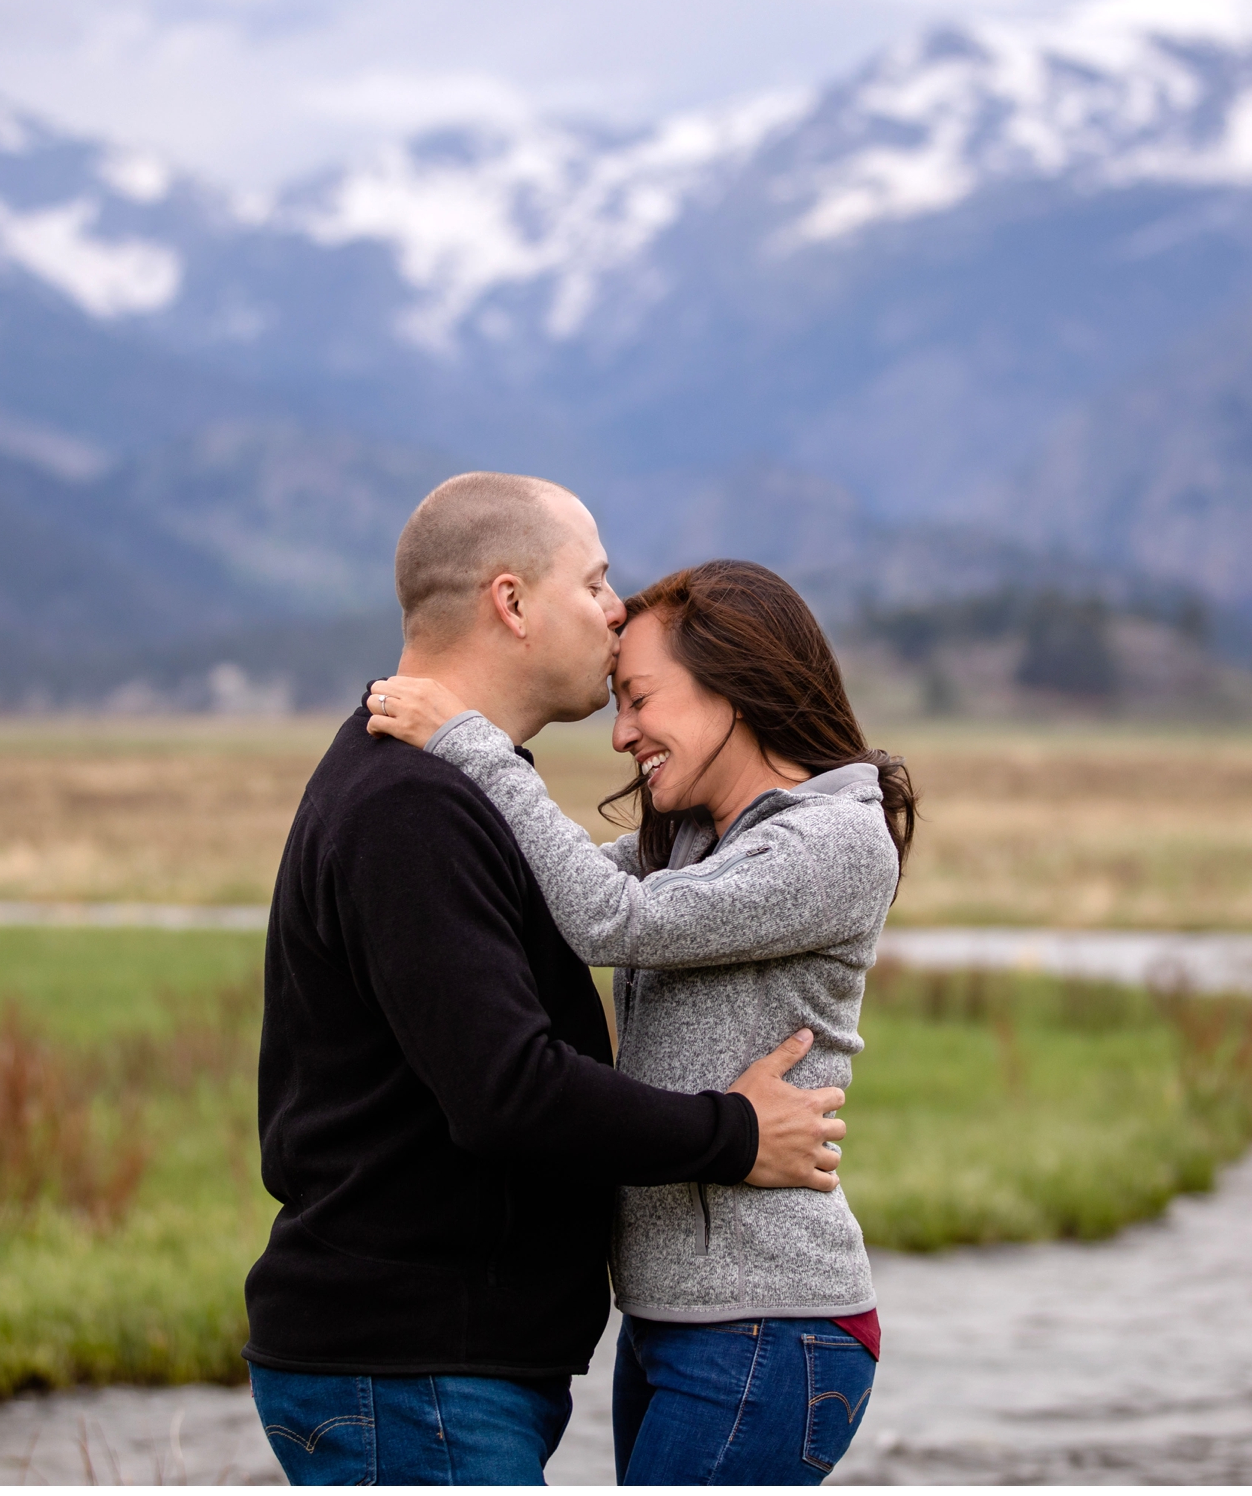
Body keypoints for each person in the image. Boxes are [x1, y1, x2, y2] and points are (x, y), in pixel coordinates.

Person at [246, 475, 851, 1486]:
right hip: (411, 1364)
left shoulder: (438, 788)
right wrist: (735, 1132)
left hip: (431, 1360)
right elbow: (509, 1091)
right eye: (597, 579)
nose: (618, 608)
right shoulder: (412, 805)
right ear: (511, 601)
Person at [368, 557, 916, 1485]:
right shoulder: (706, 831)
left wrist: (472, 742)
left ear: (735, 690)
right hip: (674, 1320)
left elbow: (612, 920)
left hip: (769, 1324)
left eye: (641, 699)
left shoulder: (834, 843)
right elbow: (548, 889)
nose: (622, 733)